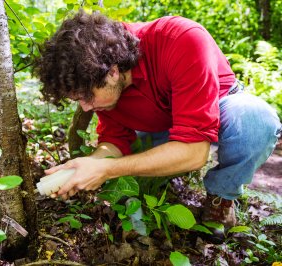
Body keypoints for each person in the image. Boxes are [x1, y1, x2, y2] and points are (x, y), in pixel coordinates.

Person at [34, 10, 281, 232]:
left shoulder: (180, 39)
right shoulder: (100, 82)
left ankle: (221, 196)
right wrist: (90, 164)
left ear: (113, 71)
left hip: (218, 109)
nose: (85, 107)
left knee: (256, 122)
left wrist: (106, 169)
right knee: (128, 177)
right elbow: (115, 141)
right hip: (163, 125)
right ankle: (156, 188)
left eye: (87, 96)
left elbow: (195, 153)